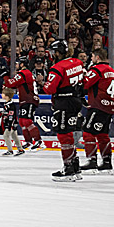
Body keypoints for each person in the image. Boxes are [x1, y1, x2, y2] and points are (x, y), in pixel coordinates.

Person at [41, 39, 85, 182]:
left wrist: (42, 82)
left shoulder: (58, 68)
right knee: (69, 134)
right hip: (76, 100)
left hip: (64, 103)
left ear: (58, 52)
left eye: (54, 52)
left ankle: (69, 169)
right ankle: (76, 167)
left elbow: (49, 88)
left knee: (64, 135)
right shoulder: (77, 62)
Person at [80, 48, 114, 175]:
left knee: (88, 132)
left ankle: (92, 160)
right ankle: (107, 162)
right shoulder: (111, 70)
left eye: (92, 56)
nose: (91, 59)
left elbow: (85, 84)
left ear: (97, 57)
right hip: (109, 106)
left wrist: (83, 74)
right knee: (102, 135)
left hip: (98, 105)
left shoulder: (97, 69)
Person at [2, 57, 44, 150]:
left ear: (22, 64)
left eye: (17, 63)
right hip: (26, 99)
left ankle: (39, 141)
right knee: (22, 121)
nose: (15, 65)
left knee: (27, 121)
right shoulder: (25, 73)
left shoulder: (23, 73)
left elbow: (10, 84)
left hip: (29, 99)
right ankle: (28, 141)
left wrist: (5, 75)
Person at [0, 87, 25, 156]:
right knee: (14, 136)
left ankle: (10, 150)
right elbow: (6, 113)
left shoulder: (11, 105)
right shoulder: (6, 104)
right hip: (9, 123)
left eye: (3, 94)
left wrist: (9, 125)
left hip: (11, 124)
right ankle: (20, 149)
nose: (1, 95)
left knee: (6, 135)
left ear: (7, 96)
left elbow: (11, 116)